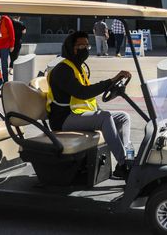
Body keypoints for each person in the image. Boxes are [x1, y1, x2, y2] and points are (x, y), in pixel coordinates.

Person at [46, 31, 133, 179]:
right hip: (63, 119)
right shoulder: (63, 70)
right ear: (71, 48)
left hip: (77, 114)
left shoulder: (78, 67)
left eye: (87, 45)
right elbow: (83, 93)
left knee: (123, 117)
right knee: (104, 117)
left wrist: (110, 85)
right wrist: (110, 81)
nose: (85, 49)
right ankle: (124, 163)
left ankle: (125, 160)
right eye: (81, 45)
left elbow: (86, 97)